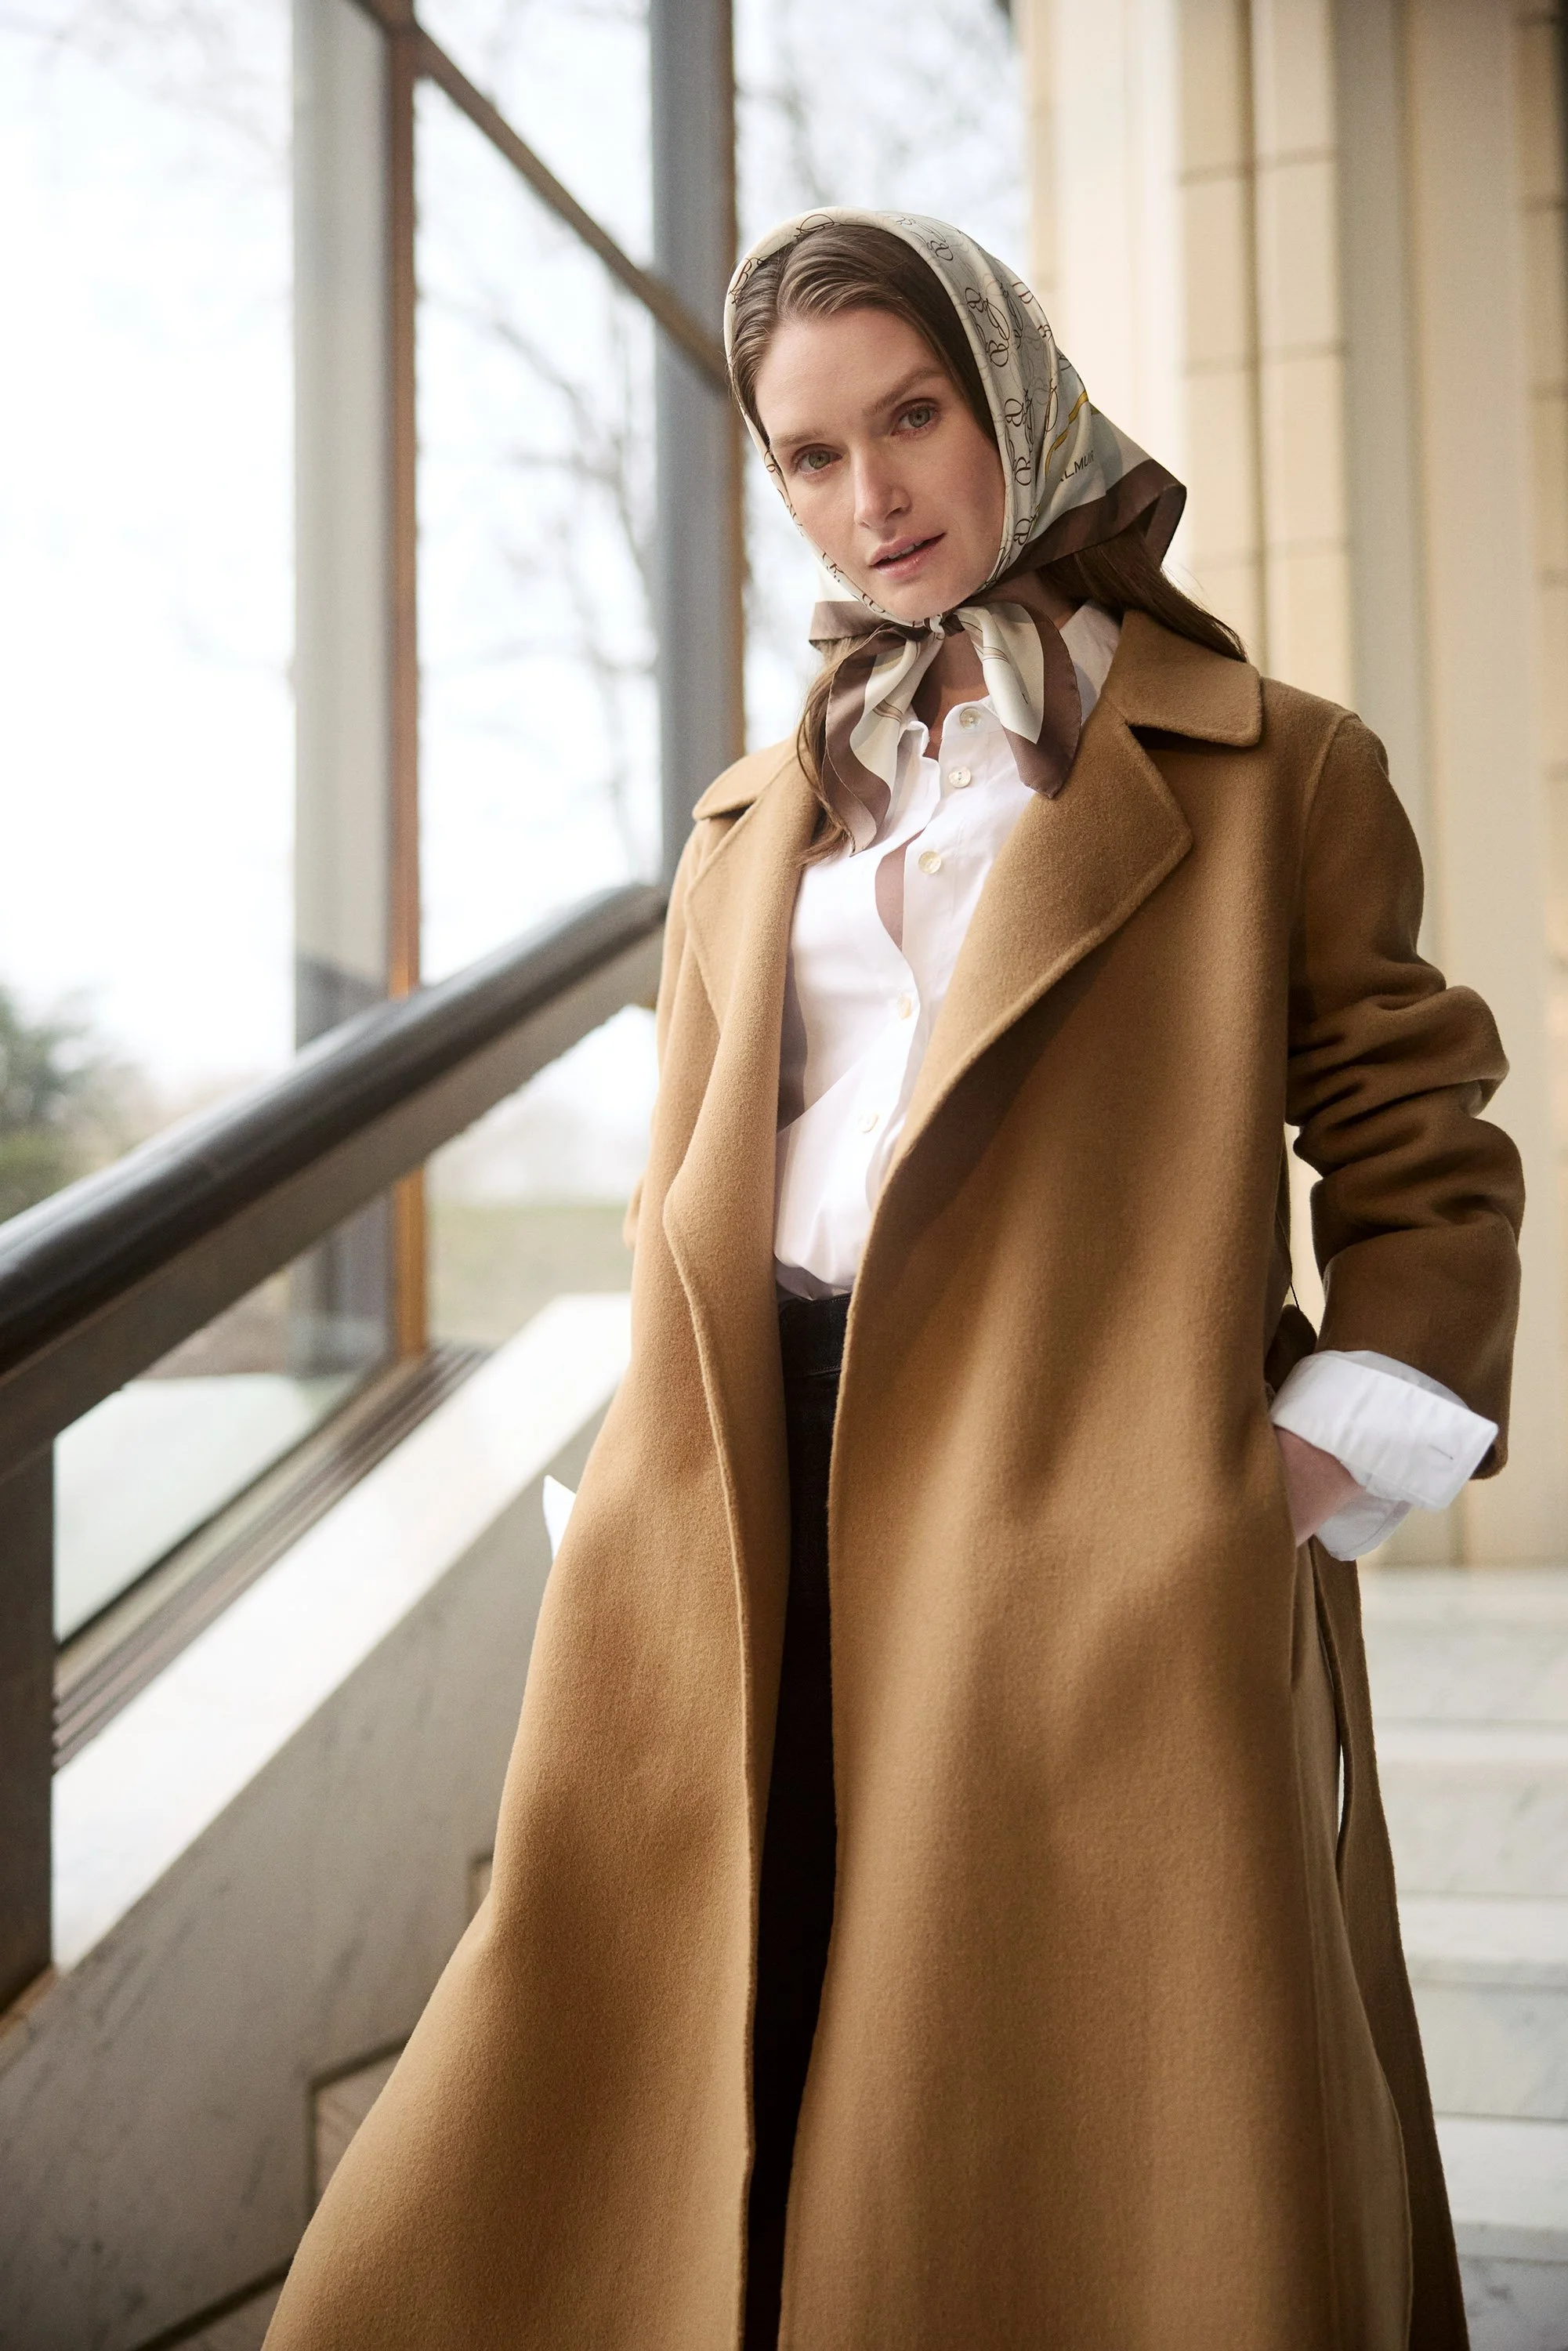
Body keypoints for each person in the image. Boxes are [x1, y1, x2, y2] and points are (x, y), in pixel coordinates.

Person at [266, 211, 1522, 2351]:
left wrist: (1259, 1497)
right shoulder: (759, 816)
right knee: (686, 2076)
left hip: (1084, 1519)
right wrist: (650, 1489)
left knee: (1048, 2132)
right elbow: (695, 1182)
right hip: (753, 1505)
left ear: (1013, 394)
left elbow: (1425, 1153)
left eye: (914, 415)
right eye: (815, 456)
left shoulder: (1269, 766)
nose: (877, 496)